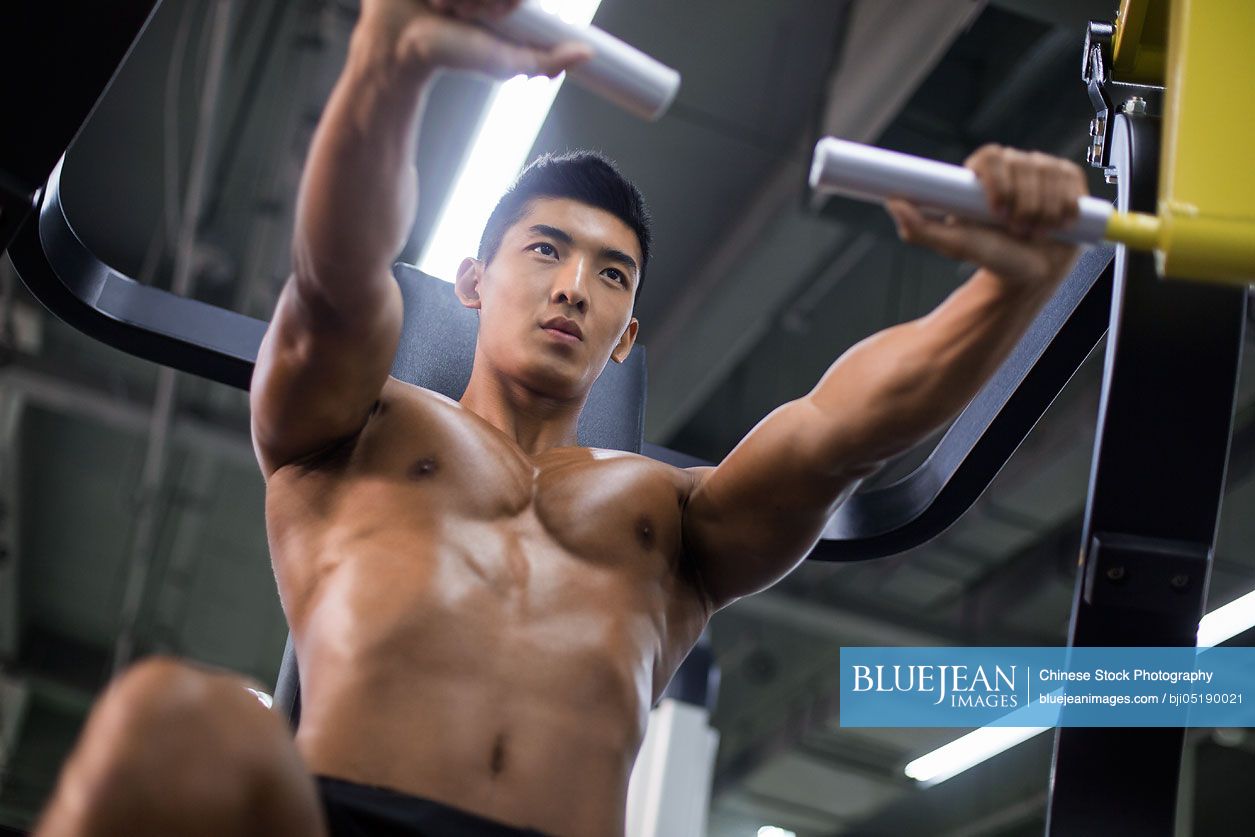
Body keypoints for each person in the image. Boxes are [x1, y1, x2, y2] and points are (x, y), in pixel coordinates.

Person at [32, 1, 1091, 835]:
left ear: (628, 333)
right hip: (341, 818)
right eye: (545, 250)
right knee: (176, 722)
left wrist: (1014, 284)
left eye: (611, 272)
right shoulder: (354, 431)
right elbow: (336, 277)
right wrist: (388, 62)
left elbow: (837, 432)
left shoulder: (673, 525)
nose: (575, 285)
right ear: (470, 283)